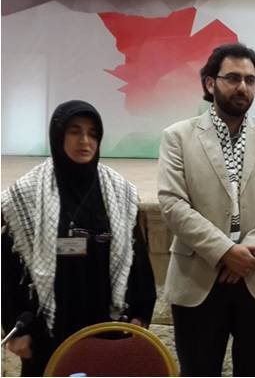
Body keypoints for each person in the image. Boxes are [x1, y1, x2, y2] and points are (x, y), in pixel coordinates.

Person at [158, 43, 255, 376]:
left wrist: (247, 253)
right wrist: (224, 251)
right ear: (210, 83)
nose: (242, 87)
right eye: (233, 78)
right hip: (198, 278)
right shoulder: (178, 137)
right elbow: (172, 203)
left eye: (250, 80)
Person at [2, 100, 156, 376]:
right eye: (74, 131)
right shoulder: (24, 196)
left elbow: (138, 261)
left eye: (93, 133)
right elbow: (8, 268)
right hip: (45, 331)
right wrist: (14, 327)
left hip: (108, 326)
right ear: (57, 135)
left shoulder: (120, 193)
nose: (85, 141)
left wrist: (140, 315)